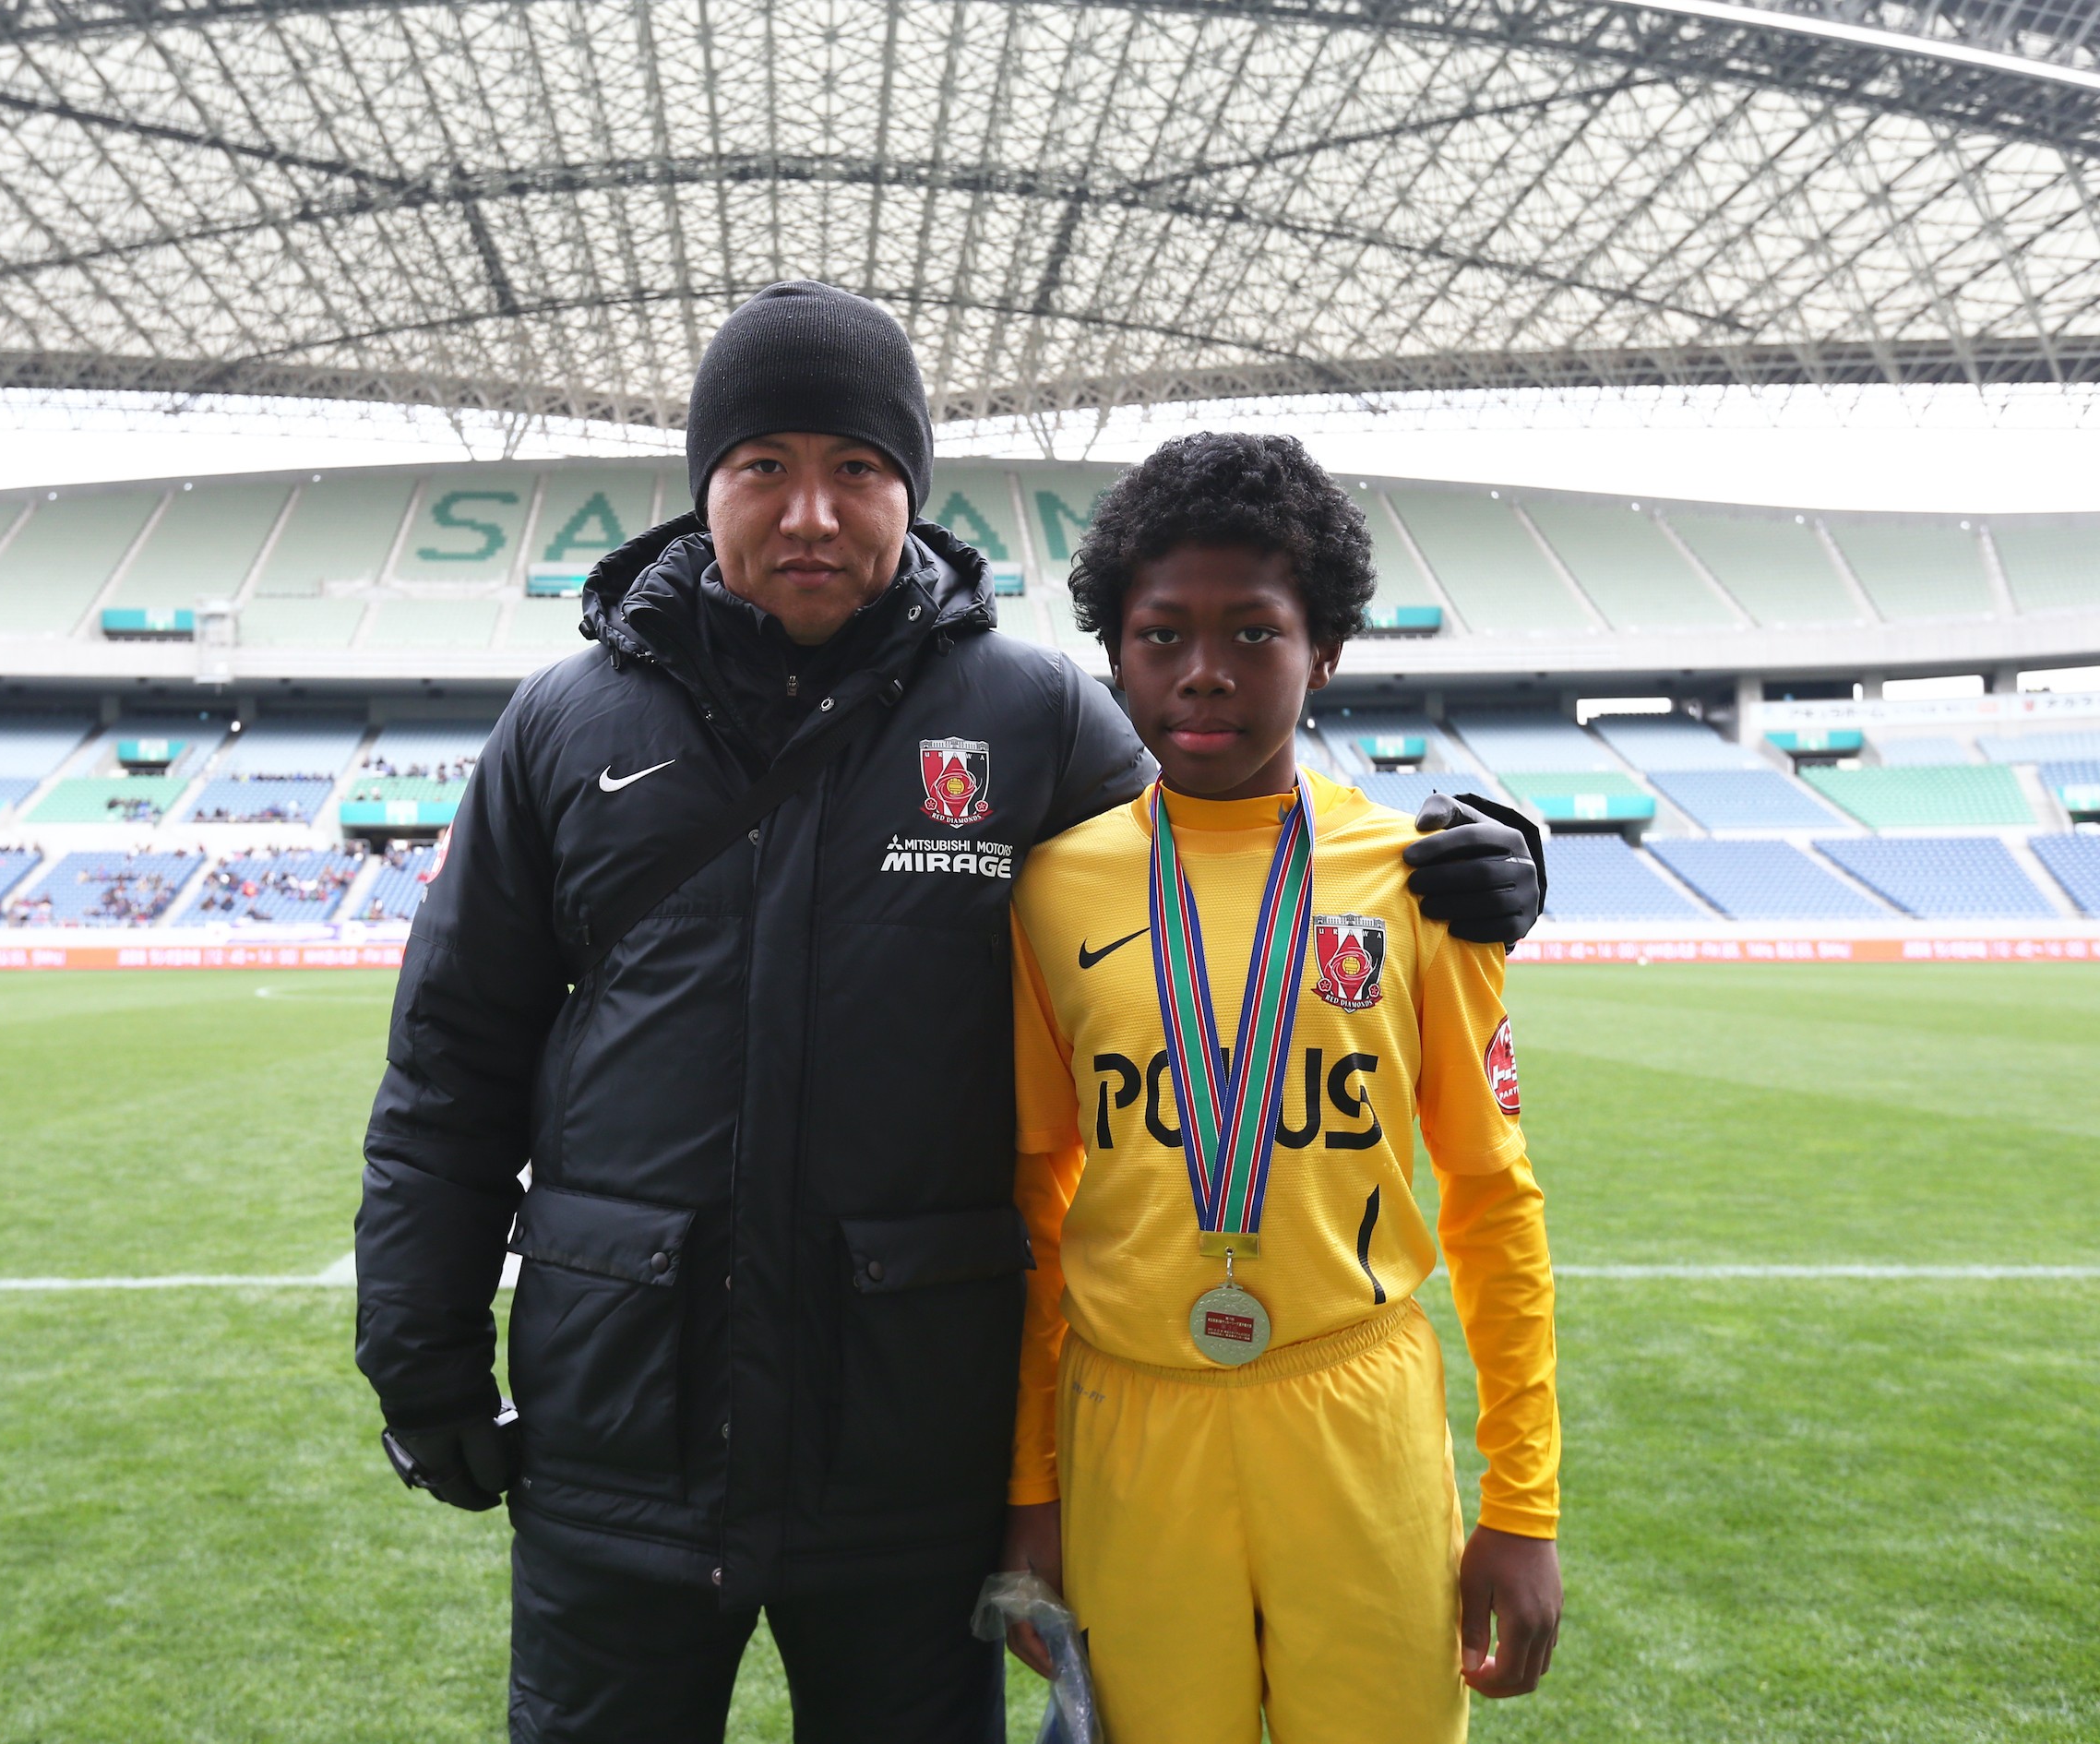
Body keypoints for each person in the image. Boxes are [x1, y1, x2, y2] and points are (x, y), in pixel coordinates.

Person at [352, 283, 1547, 1744]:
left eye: (855, 468)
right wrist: (419, 1351)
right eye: (762, 467)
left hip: (913, 1450)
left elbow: (1227, 809)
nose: (810, 512)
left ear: (911, 490)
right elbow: (451, 1058)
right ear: (701, 489)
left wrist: (1476, 857)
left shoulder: (1034, 713)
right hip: (623, 1430)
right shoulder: (560, 724)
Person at [996, 433, 1561, 1744]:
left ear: (1328, 651)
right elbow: (1033, 1204)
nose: (1204, 670)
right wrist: (1032, 1492)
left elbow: (1490, 1195)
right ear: (1115, 652)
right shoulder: (1053, 890)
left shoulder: (1423, 880)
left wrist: (1522, 1503)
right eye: (1162, 634)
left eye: (1255, 632)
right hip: (1129, 1422)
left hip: (1352, 1409)